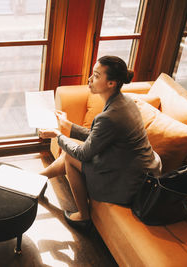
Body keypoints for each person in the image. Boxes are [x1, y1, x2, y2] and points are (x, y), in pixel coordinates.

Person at [39, 55, 162, 229]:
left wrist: (57, 135)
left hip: (128, 182)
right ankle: (37, 180)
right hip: (138, 169)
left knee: (70, 156)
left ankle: (83, 216)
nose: (89, 79)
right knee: (74, 149)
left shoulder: (110, 116)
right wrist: (69, 126)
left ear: (111, 83)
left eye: (96, 76)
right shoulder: (125, 102)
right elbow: (99, 136)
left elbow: (83, 154)